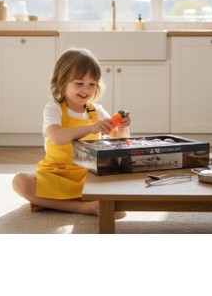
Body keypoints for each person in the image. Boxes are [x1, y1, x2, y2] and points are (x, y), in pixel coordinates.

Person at [12, 48, 131, 215]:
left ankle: (51, 202)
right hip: (56, 173)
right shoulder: (54, 108)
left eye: (92, 84)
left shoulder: (96, 111)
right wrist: (91, 128)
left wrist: (122, 127)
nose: (86, 89)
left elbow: (119, 142)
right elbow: (57, 137)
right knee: (20, 182)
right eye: (79, 83)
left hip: (88, 173)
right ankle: (80, 207)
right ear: (62, 82)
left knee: (122, 178)